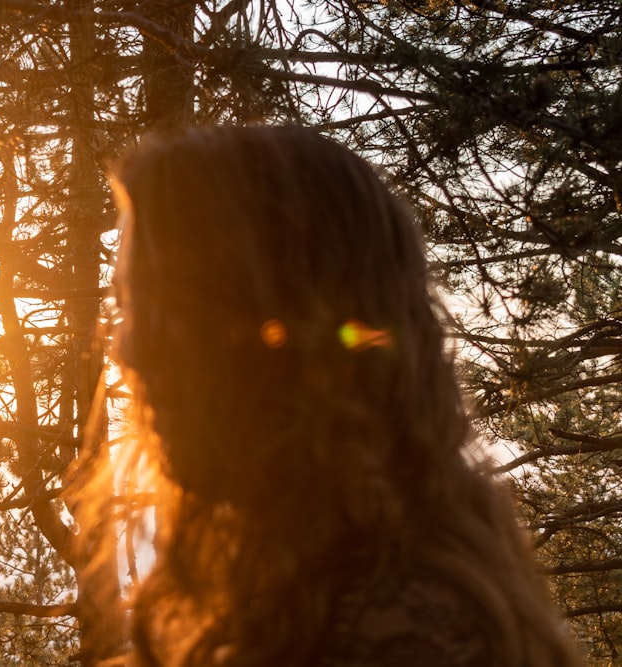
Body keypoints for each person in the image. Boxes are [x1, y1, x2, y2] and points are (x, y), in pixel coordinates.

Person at [104, 125, 583, 666]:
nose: (128, 349)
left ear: (287, 323)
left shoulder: (400, 631)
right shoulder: (319, 586)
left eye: (162, 310)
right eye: (125, 308)